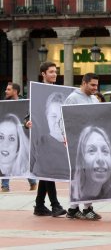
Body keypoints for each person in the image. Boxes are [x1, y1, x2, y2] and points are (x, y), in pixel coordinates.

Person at [30, 62, 66, 217]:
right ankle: (55, 205)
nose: (54, 74)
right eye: (51, 72)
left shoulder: (60, 91)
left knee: (46, 174)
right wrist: (27, 122)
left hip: (59, 140)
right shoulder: (36, 91)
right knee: (48, 169)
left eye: (55, 72)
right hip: (44, 138)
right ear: (43, 74)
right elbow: (29, 112)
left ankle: (39, 205)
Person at [65, 73, 102, 220]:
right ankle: (82, 208)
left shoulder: (94, 99)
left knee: (88, 175)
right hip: (77, 143)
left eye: (96, 85)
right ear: (84, 83)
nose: (95, 88)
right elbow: (65, 120)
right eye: (92, 85)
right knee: (80, 175)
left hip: (91, 144)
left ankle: (76, 209)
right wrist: (68, 138)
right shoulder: (72, 98)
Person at [1, 83, 37, 192]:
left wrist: (27, 125)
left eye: (8, 89)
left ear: (15, 91)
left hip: (22, 135)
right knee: (4, 157)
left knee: (22, 159)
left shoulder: (25, 103)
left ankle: (32, 182)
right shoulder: (4, 104)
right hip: (6, 134)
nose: (6, 91)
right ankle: (5, 186)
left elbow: (30, 118)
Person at [71, 126, 111, 202]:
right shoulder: (71, 191)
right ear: (81, 160)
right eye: (91, 150)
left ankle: (87, 209)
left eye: (105, 151)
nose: (100, 158)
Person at [31, 92, 69, 179]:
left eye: (62, 117)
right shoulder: (38, 143)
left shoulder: (75, 145)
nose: (57, 122)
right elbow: (28, 170)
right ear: (47, 117)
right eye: (53, 116)